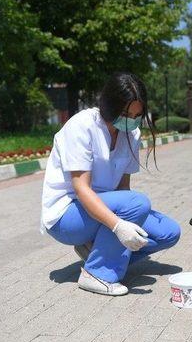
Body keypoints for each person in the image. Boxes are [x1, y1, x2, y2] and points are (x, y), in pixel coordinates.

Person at [40, 72, 180, 296]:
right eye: (126, 113)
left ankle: (100, 252)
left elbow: (123, 189)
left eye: (137, 114)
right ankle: (97, 273)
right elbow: (81, 188)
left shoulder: (131, 134)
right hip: (68, 215)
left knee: (169, 232)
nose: (132, 120)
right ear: (109, 104)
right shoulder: (82, 126)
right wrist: (117, 226)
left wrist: (123, 224)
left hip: (102, 210)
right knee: (138, 203)